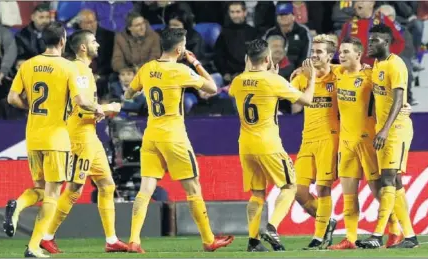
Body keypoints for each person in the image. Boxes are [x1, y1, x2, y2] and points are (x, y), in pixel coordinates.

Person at [123, 28, 234, 253]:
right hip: (174, 136)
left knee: (145, 188)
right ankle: (208, 239)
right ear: (180, 48)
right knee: (193, 188)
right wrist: (195, 62)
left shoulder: (147, 68)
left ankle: (134, 239)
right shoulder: (180, 70)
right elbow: (212, 88)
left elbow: (128, 95)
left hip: (151, 135)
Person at [2, 22, 104, 258]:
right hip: (57, 138)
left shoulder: (28, 65)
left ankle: (19, 205)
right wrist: (97, 107)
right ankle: (33, 247)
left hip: (33, 135)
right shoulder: (68, 67)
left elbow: (12, 97)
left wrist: (30, 108)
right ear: (62, 41)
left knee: (40, 188)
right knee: (53, 193)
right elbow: (80, 101)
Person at [38, 30, 128, 254]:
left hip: (91, 137)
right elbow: (80, 105)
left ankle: (111, 239)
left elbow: (84, 106)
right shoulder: (77, 69)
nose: (98, 44)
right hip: (79, 138)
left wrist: (98, 112)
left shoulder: (85, 70)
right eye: (93, 41)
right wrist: (106, 109)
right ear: (83, 47)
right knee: (75, 188)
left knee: (107, 185)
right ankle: (46, 235)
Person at [229, 39, 316, 252]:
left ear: (248, 59)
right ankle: (272, 227)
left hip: (245, 145)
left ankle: (253, 241)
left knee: (257, 193)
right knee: (289, 186)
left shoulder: (238, 81)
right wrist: (312, 78)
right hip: (268, 143)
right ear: (268, 59)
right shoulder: (272, 81)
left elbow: (243, 91)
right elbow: (306, 100)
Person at [328, 37, 404, 250]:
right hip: (346, 143)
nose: (341, 55)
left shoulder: (371, 76)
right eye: (340, 52)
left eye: (346, 52)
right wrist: (302, 70)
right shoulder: (338, 73)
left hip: (369, 142)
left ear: (358, 55)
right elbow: (320, 66)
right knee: (349, 195)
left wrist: (405, 106)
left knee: (378, 192)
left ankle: (395, 231)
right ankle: (350, 239)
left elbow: (391, 92)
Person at [356, 23, 419, 249]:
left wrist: (384, 130)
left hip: (396, 130)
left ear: (387, 43)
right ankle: (410, 237)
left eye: (375, 41)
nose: (370, 44)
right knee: (396, 182)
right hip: (383, 130)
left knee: (388, 179)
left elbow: (399, 99)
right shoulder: (376, 65)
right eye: (369, 40)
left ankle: (377, 234)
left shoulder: (396, 65)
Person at [290, 34, 339, 250]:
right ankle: (327, 222)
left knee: (323, 188)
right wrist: (305, 77)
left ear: (330, 56)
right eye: (313, 51)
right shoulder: (301, 77)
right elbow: (294, 105)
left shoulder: (340, 75)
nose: (315, 55)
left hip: (330, 139)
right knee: (298, 191)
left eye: (319, 52)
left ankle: (318, 238)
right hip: (307, 139)